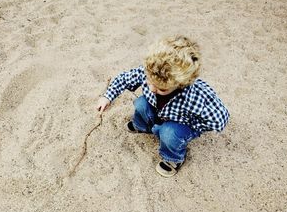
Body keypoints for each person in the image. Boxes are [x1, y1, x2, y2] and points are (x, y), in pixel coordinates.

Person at [96, 35, 229, 177]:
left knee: (168, 133)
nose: (152, 89)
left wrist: (193, 127)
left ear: (181, 84)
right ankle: (142, 126)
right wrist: (107, 96)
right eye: (149, 82)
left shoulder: (196, 96)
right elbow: (124, 79)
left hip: (179, 123)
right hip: (157, 109)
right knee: (141, 103)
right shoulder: (151, 72)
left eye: (161, 89)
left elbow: (220, 118)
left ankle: (173, 158)